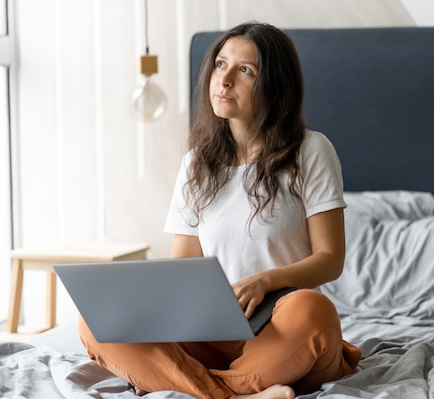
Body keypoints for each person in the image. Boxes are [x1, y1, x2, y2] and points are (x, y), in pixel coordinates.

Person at [78, 21, 361, 399]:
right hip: (210, 333)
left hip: (282, 330)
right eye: (220, 64)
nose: (224, 80)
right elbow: (184, 268)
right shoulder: (197, 162)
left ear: (275, 91)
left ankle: (197, 388)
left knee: (313, 308)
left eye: (245, 71)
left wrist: (265, 281)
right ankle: (239, 396)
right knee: (95, 319)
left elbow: (330, 259)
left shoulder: (311, 150)